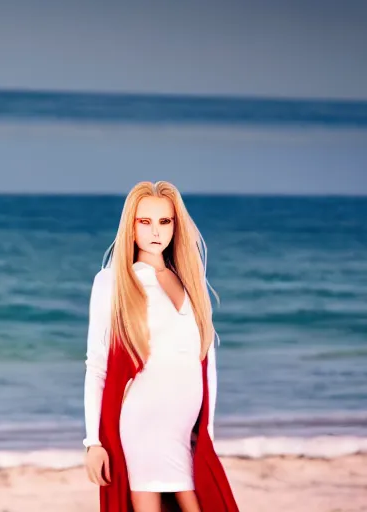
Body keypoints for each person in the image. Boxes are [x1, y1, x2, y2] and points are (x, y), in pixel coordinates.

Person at [83, 181, 239, 512]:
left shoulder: (191, 279)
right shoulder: (111, 282)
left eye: (165, 221)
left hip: (185, 425)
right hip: (143, 419)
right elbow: (97, 366)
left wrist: (207, 429)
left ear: (175, 225)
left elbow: (206, 361)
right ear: (131, 226)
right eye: (145, 222)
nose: (156, 231)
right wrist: (93, 442)